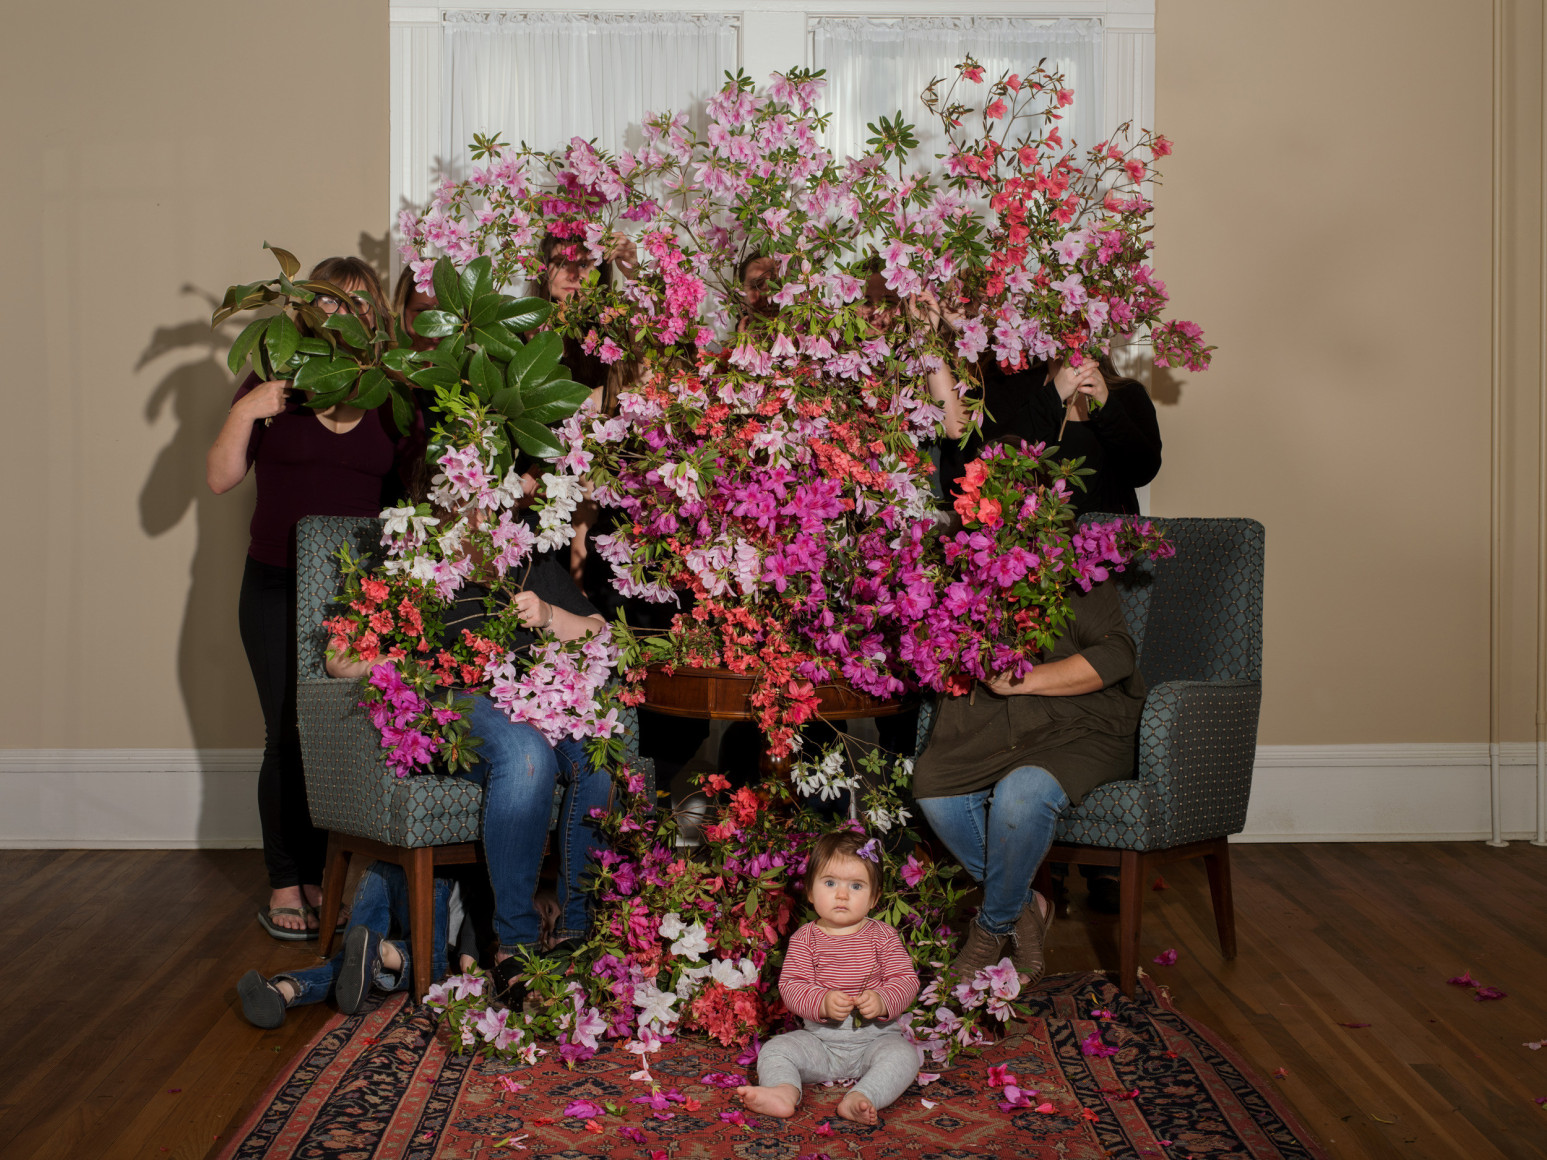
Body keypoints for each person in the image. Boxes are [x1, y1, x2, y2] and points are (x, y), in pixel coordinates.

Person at [207, 256, 422, 940]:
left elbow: (409, 502)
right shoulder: (275, 383)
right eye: (329, 303)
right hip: (273, 582)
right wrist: (248, 408)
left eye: (357, 305)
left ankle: (337, 876)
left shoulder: (394, 394)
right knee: (285, 733)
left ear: (375, 318)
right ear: (306, 311)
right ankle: (285, 881)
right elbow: (219, 480)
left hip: (361, 599)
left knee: (350, 733)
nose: (343, 315)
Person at [325, 514, 613, 1008]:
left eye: (491, 501)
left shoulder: (530, 563)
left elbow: (599, 630)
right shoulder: (413, 564)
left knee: (598, 761)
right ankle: (515, 946)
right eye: (465, 500)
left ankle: (572, 935)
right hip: (459, 702)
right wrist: (408, 665)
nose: (481, 514)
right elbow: (338, 658)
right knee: (527, 757)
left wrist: (548, 615)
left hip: (534, 697)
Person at [911, 575, 1145, 981]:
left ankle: (988, 932)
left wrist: (1025, 679)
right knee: (935, 790)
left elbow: (1117, 654)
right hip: (994, 726)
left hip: (1081, 725)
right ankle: (1025, 908)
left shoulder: (1074, 573)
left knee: (1020, 796)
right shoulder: (953, 572)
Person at [735, 829, 920, 1126]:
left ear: (874, 897)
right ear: (810, 891)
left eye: (856, 886)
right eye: (830, 883)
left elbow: (905, 980)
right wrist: (821, 1002)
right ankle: (783, 1091)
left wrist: (883, 1000)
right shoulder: (805, 939)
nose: (842, 895)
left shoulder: (883, 936)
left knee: (905, 1057)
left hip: (875, 1041)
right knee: (775, 1050)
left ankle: (862, 1097)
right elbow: (792, 987)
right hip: (820, 1044)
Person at [235, 860, 473, 1028]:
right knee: (430, 964)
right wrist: (470, 950)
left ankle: (282, 991)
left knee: (352, 959)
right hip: (431, 871)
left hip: (381, 865)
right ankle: (380, 952)